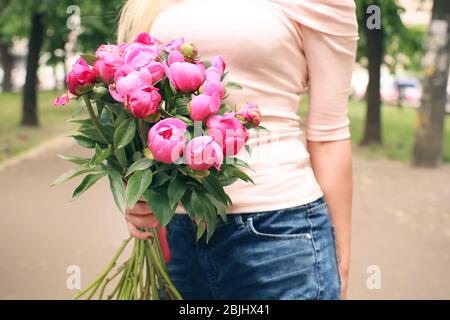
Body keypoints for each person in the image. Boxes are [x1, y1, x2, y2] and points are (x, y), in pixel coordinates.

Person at [120, 0, 358, 300]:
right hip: (177, 232)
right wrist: (138, 194)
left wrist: (342, 256)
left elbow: (329, 134)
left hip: (277, 233)